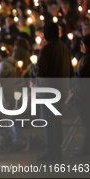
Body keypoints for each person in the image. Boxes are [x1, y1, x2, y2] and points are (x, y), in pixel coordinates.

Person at [33, 22, 73, 161]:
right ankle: (58, 152)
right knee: (57, 121)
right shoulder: (64, 48)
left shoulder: (47, 49)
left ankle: (50, 152)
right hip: (62, 89)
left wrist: (35, 66)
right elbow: (71, 70)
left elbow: (40, 71)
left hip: (49, 91)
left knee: (48, 122)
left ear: (46, 34)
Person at [72, 34, 90, 156]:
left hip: (85, 95)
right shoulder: (85, 58)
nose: (80, 46)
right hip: (83, 94)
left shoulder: (88, 60)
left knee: (86, 123)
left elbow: (81, 77)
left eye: (83, 43)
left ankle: (85, 149)